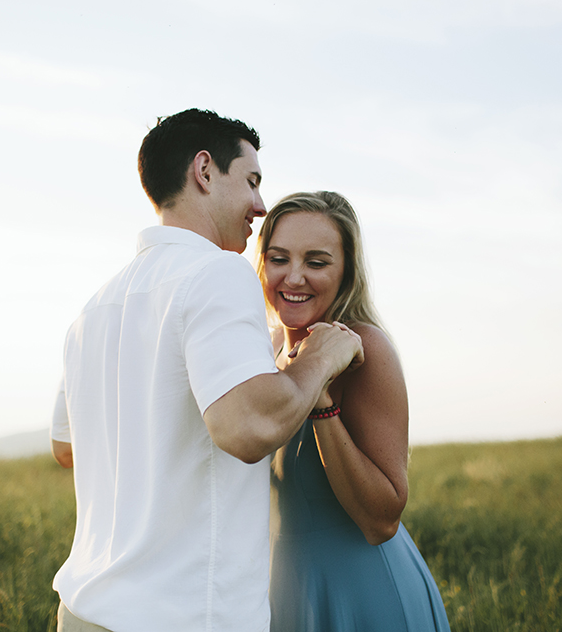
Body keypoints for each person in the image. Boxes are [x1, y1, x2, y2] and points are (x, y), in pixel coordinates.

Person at [50, 110, 364, 632]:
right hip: (184, 618)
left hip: (82, 612)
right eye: (252, 181)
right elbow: (247, 428)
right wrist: (322, 357)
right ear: (204, 170)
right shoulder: (217, 272)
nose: (261, 206)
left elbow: (67, 448)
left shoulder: (96, 307)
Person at [257, 191, 451, 631]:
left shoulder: (367, 349)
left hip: (363, 591)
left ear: (346, 271)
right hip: (281, 591)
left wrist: (320, 398)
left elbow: (382, 519)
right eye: (279, 258)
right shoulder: (260, 348)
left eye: (317, 262)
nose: (294, 276)